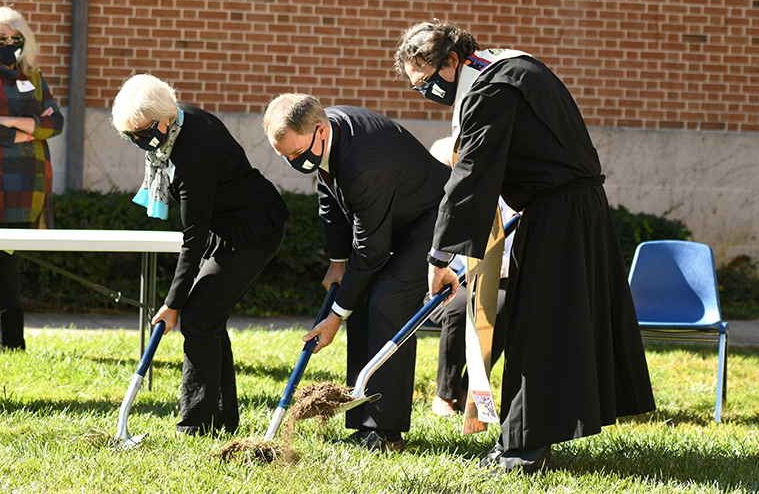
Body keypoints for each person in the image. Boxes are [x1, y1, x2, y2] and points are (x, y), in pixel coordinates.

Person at [394, 20, 656, 474]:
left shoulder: (490, 90)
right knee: (546, 329)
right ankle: (525, 440)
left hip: (560, 216)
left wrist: (439, 258)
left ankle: (523, 452)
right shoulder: (512, 65)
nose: (427, 92)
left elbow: (472, 178)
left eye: (428, 81)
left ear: (452, 61)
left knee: (538, 334)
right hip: (571, 210)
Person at [262, 93, 450, 452]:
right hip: (397, 211)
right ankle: (364, 417)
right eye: (285, 157)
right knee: (363, 300)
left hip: (433, 216)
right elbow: (329, 199)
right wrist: (337, 261)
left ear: (319, 131)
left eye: (298, 155)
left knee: (387, 299)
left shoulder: (365, 167)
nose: (294, 162)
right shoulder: (320, 136)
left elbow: (370, 252)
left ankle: (386, 432)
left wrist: (334, 317)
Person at [111, 74, 289, 436]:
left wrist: (172, 303)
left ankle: (196, 422)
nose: (139, 142)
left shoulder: (192, 156)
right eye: (131, 136)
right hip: (227, 228)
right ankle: (221, 418)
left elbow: (192, 239)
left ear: (163, 119)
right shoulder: (177, 125)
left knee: (198, 317)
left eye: (143, 133)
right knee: (207, 317)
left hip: (253, 230)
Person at [0, 7, 64, 352]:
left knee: (9, 263)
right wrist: (33, 127)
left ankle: (13, 344)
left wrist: (9, 122)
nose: (8, 44)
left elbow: (57, 123)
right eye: (1, 38)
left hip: (30, 183)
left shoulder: (33, 75)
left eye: (14, 38)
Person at [426, 137, 514, 418]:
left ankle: (471, 390)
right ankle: (445, 394)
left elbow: (511, 252)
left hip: (494, 281)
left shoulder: (501, 201)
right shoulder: (435, 204)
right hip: (447, 286)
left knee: (501, 308)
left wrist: (499, 265)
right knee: (457, 307)